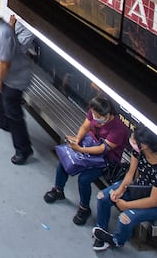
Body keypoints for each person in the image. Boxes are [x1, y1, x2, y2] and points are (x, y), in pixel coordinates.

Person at [43, 96, 129, 226]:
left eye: (98, 117)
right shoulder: (94, 113)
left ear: (108, 114)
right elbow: (85, 126)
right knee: (64, 163)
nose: (95, 118)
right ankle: (58, 190)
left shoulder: (119, 129)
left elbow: (102, 149)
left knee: (84, 179)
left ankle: (84, 208)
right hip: (88, 145)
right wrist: (78, 140)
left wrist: (80, 149)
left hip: (106, 159)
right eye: (94, 115)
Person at [91, 125, 157, 251]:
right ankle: (101, 229)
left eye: (134, 139)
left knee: (125, 218)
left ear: (144, 145)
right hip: (140, 188)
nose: (131, 140)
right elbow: (131, 174)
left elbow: (154, 201)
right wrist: (120, 190)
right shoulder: (138, 152)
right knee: (103, 197)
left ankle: (116, 241)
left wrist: (127, 205)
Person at [0, 3, 34, 165]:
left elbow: (5, 62)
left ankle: (23, 149)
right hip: (0, 74)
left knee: (13, 111)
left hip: (13, 79)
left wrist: (0, 78)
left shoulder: (3, 33)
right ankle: (4, 122)